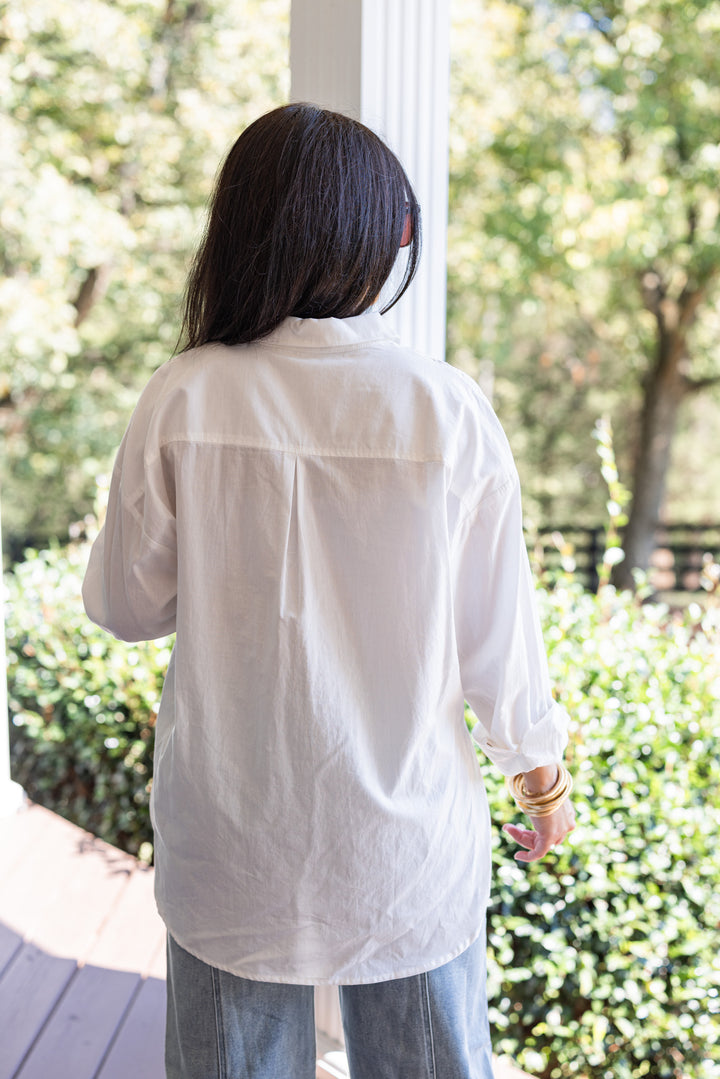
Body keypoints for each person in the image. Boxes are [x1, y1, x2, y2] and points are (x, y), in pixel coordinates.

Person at [82, 103, 575, 1079]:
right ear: (386, 237)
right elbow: (498, 642)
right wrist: (541, 777)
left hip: (232, 837)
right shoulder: (447, 409)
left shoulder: (185, 395)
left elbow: (126, 607)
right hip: (407, 846)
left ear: (241, 230)